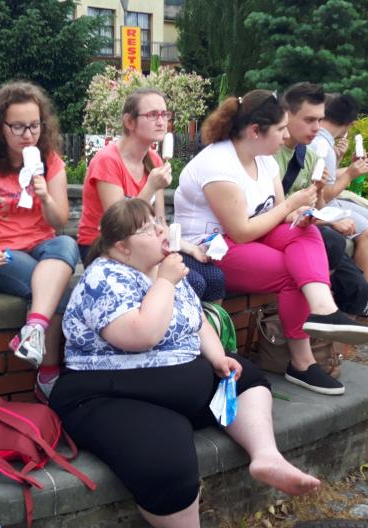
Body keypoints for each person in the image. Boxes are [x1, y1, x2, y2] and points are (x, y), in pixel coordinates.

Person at [51, 199, 320, 528]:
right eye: (148, 229)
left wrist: (218, 356)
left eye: (159, 223)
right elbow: (140, 335)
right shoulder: (103, 278)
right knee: (166, 464)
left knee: (245, 377)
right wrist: (165, 282)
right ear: (121, 246)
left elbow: (197, 320)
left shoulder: (163, 270)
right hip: (113, 392)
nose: (160, 231)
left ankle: (266, 456)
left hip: (178, 384)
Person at [174, 89, 368, 396]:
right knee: (291, 272)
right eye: (280, 129)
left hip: (251, 234)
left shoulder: (265, 161)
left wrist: (305, 214)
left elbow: (281, 213)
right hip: (211, 246)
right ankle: (302, 363)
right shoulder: (217, 165)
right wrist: (290, 206)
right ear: (255, 131)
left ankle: (323, 308)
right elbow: (240, 231)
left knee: (305, 233)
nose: (286, 136)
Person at [0, 81, 78, 401]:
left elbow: (58, 222)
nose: (28, 135)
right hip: (2, 253)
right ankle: (48, 373)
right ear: (0, 127)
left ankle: (33, 329)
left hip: (43, 245)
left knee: (66, 246)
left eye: (34, 126)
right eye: (18, 127)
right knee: (57, 288)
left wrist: (45, 197)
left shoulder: (50, 161)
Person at [77, 88, 225, 302]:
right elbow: (118, 228)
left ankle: (208, 323)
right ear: (129, 122)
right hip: (107, 248)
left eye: (165, 114)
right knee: (193, 282)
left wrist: (191, 248)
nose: (161, 121)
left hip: (146, 243)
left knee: (214, 278)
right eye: (153, 114)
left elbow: (159, 222)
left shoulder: (154, 160)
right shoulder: (107, 161)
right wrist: (150, 186)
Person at [277, 83, 368, 302]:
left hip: (304, 218)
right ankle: (367, 288)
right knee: (351, 234)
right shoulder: (277, 152)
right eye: (310, 120)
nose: (317, 128)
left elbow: (317, 197)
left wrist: (326, 183)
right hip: (288, 224)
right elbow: (279, 208)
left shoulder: (309, 152)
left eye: (320, 120)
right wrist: (349, 175)